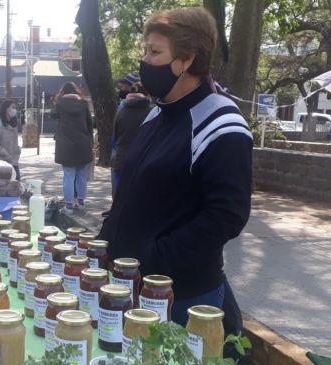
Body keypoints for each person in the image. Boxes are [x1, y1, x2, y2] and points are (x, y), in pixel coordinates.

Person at [99, 7, 252, 339]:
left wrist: (156, 256)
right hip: (132, 283)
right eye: (146, 50)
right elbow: (130, 190)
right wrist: (105, 238)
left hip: (183, 296)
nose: (145, 60)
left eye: (155, 52)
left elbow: (228, 214)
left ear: (186, 60)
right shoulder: (157, 115)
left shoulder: (221, 122)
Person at [51, 82, 94, 214]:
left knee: (69, 176)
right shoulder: (83, 104)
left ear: (63, 92)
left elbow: (53, 115)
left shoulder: (60, 104)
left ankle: (68, 206)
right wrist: (90, 142)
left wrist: (57, 101)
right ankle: (81, 202)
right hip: (83, 144)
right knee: (81, 175)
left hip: (66, 145)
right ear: (76, 91)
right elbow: (89, 124)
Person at [110, 82, 152, 195]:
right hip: (143, 159)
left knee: (119, 191)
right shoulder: (152, 112)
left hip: (122, 158)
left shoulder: (121, 111)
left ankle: (117, 209)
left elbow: (115, 137)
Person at [0, 99, 21, 180]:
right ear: (6, 109)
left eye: (15, 108)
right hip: (3, 162)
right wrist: (5, 154)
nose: (14, 110)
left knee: (16, 186)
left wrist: (18, 149)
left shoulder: (14, 124)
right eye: (12, 107)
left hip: (14, 161)